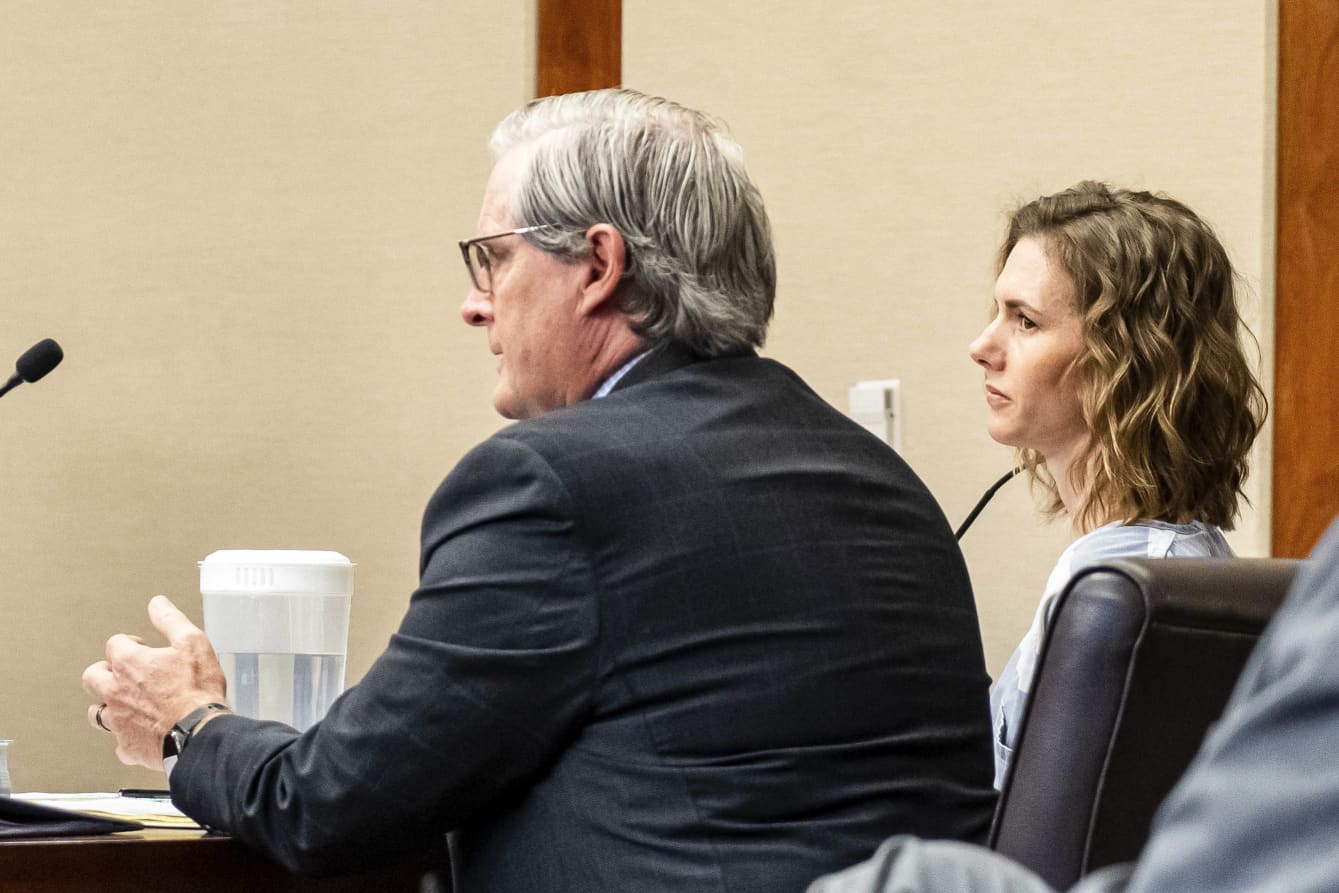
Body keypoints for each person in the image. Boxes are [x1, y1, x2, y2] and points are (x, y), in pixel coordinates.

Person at [82, 89, 997, 891]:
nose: (475, 303)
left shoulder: (553, 480)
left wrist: (187, 726)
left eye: (494, 258)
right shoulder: (882, 480)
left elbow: (333, 803)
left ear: (599, 266)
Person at [807, 511, 1339, 893]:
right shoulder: (1199, 548)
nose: (983, 349)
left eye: (1027, 343)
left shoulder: (1107, 566)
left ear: (1122, 375)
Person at [967, 181, 1266, 785]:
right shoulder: (1173, 560)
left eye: (1025, 321)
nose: (982, 347)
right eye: (996, 313)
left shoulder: (1118, 588)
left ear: (1125, 362)